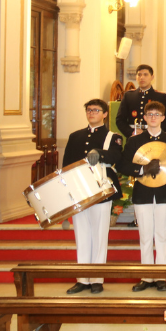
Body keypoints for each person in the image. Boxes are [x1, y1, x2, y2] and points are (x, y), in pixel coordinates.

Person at [118, 101, 166, 292]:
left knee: (162, 235)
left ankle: (161, 276)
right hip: (143, 193)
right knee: (145, 236)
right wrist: (142, 169)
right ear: (144, 118)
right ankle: (146, 276)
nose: (153, 117)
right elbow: (122, 166)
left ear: (163, 118)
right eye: (150, 114)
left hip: (164, 194)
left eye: (157, 114)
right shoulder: (134, 141)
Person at [62, 99, 123, 295]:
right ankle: (82, 279)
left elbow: (117, 157)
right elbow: (66, 166)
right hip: (80, 191)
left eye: (96, 110)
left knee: (99, 235)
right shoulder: (75, 136)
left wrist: (100, 153)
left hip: (100, 191)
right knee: (82, 236)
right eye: (89, 110)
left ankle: (96, 278)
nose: (91, 113)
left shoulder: (112, 137)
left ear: (105, 114)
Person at [116, 64, 166, 139]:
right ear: (136, 77)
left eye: (145, 75)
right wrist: (131, 132)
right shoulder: (128, 96)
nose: (142, 77)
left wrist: (155, 133)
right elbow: (120, 120)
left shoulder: (160, 96)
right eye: (139, 75)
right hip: (134, 137)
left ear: (152, 77)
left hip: (154, 136)